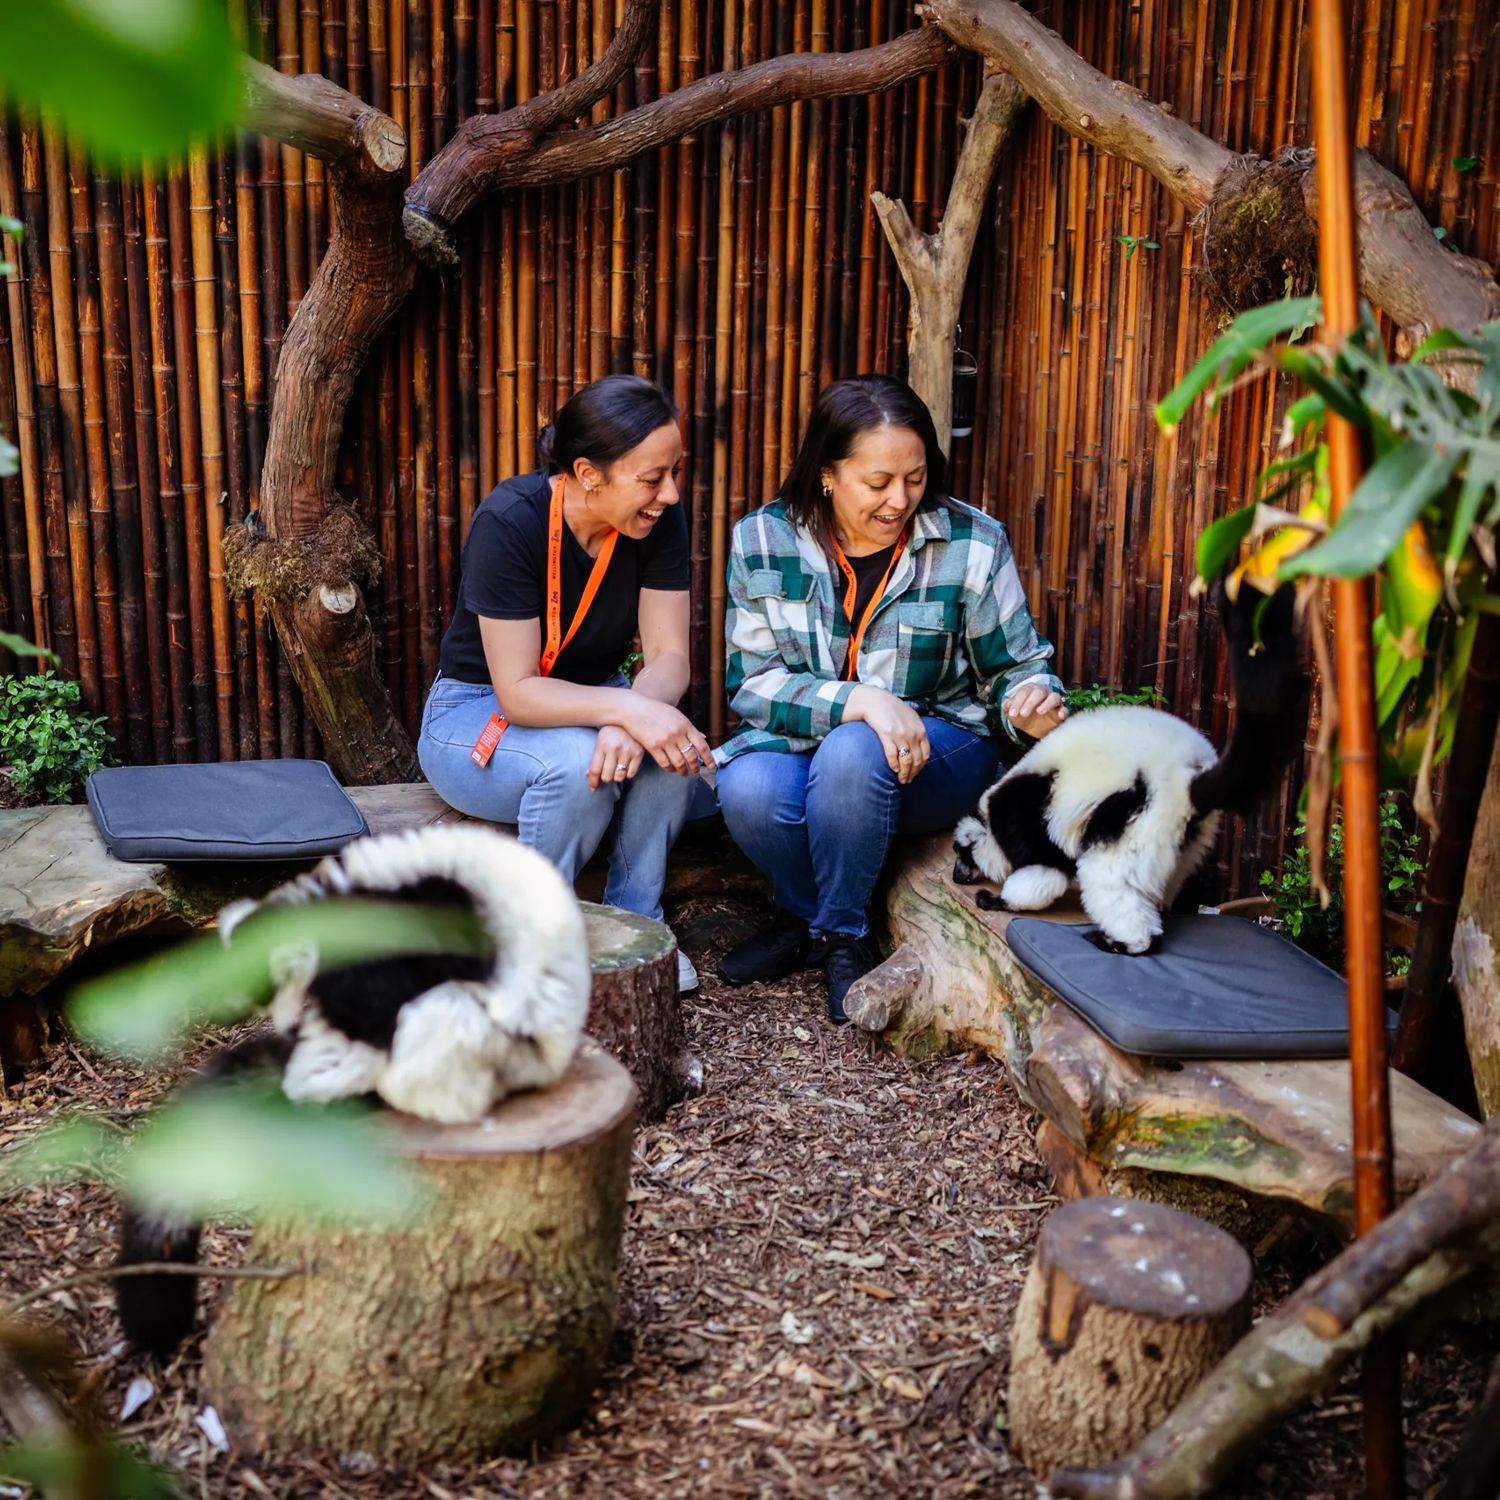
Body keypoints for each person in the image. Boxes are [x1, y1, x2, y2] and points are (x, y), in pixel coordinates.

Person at [714, 374, 1067, 1023]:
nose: (900, 498)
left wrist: (1033, 701)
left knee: (853, 751)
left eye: (915, 477)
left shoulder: (971, 542)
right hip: (800, 745)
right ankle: (808, 918)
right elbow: (753, 683)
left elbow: (1015, 667)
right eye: (878, 482)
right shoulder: (762, 539)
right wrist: (861, 701)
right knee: (747, 788)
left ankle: (843, 932)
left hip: (937, 754)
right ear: (827, 473)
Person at [417, 374, 711, 991]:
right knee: (583, 762)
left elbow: (670, 656)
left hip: (594, 704)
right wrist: (626, 712)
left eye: (674, 472)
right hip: (477, 712)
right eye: (653, 478)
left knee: (670, 753)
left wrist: (637, 713)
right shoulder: (510, 521)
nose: (672, 494)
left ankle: (636, 931)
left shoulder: (658, 523)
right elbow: (518, 689)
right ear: (588, 473)